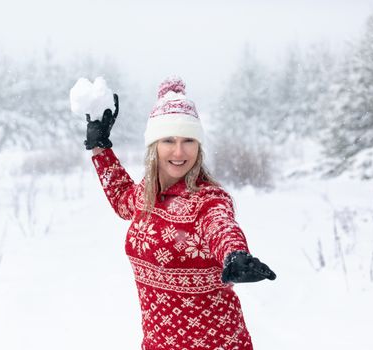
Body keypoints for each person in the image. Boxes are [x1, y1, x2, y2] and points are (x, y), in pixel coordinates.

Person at [85, 77, 276, 350]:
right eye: (168, 140)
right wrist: (100, 148)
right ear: (154, 146)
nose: (178, 151)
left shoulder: (208, 199)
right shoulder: (145, 194)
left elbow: (221, 226)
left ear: (199, 147)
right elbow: (120, 199)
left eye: (188, 140)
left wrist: (235, 255)